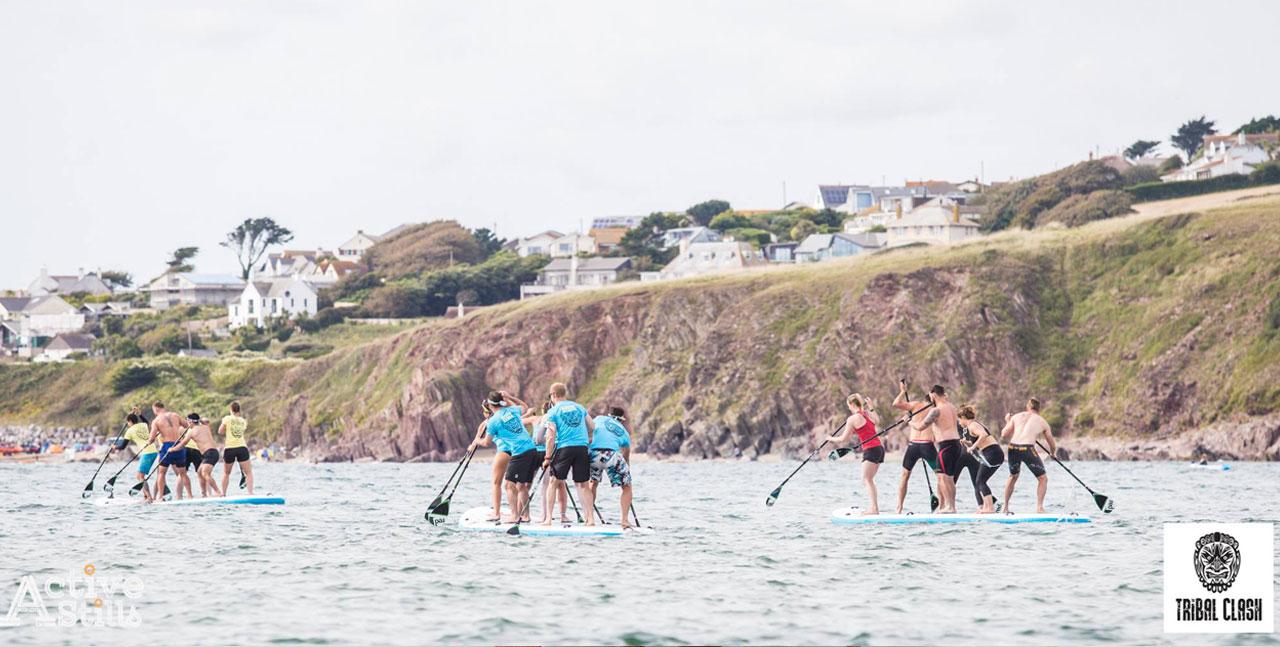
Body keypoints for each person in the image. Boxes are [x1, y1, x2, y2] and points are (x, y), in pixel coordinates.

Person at [468, 390, 537, 523]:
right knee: (521, 486)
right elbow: (524, 406)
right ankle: (526, 516)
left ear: (490, 405)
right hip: (531, 449)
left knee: (509, 485)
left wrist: (476, 441)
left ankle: (515, 516)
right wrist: (509, 396)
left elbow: (486, 442)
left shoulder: (493, 421)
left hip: (520, 452)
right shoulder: (512, 411)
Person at [541, 382, 597, 526]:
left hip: (565, 449)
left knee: (554, 482)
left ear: (553, 395)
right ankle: (590, 518)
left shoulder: (552, 412)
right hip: (582, 448)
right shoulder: (579, 407)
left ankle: (548, 519)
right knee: (583, 484)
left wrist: (547, 457)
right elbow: (592, 427)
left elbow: (550, 436)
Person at [824, 393, 882, 514]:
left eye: (848, 406)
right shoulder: (867, 414)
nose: (849, 408)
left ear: (851, 404)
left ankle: (874, 509)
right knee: (869, 480)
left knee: (866, 480)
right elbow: (877, 421)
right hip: (880, 449)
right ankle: (874, 507)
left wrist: (830, 438)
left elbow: (843, 439)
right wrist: (871, 407)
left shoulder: (852, 419)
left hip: (870, 449)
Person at [908, 385, 961, 513]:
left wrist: (909, 421)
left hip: (945, 446)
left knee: (943, 477)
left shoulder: (936, 410)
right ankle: (952, 507)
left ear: (933, 395)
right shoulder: (952, 407)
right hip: (956, 444)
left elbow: (921, 427)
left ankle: (949, 507)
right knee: (949, 477)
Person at [1001, 398, 1057, 514]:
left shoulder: (1016, 417)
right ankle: (1039, 508)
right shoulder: (1042, 421)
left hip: (1013, 448)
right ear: (1038, 409)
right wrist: (1053, 453)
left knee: (1012, 476)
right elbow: (1051, 441)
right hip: (1027, 449)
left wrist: (1008, 421)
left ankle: (1005, 507)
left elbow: (1004, 435)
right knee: (1042, 478)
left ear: (1027, 407)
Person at [891, 380, 938, 514]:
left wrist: (903, 392)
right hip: (927, 445)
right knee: (940, 475)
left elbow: (896, 403)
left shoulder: (916, 405)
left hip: (913, 445)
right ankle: (945, 506)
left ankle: (898, 508)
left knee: (905, 475)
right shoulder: (935, 409)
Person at [523, 400, 571, 523]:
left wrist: (528, 414)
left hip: (535, 453)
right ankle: (556, 515)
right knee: (550, 485)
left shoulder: (536, 419)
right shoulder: (556, 419)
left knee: (525, 485)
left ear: (543, 410)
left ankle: (523, 514)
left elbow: (518, 421)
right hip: (549, 453)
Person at [588, 406, 635, 528]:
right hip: (612, 455)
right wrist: (626, 473)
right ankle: (624, 520)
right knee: (627, 487)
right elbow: (626, 454)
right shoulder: (624, 432)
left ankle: (589, 518)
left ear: (609, 415)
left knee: (592, 483)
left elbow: (589, 429)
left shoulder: (599, 419)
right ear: (621, 420)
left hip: (594, 454)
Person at [958, 405, 1004, 513]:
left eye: (960, 419)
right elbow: (979, 439)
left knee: (980, 481)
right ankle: (986, 507)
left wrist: (973, 447)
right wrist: (967, 442)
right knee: (980, 481)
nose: (960, 422)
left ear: (964, 417)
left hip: (992, 453)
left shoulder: (972, 425)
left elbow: (983, 435)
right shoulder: (974, 425)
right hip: (993, 453)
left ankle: (990, 508)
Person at [147, 401, 192, 502]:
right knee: (183, 473)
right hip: (179, 445)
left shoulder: (156, 420)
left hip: (167, 446)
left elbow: (152, 437)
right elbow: (188, 425)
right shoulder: (175, 415)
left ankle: (160, 497)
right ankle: (190, 496)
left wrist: (148, 441)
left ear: (156, 409)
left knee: (161, 473)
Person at [217, 401, 254, 495]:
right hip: (242, 447)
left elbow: (220, 431)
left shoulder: (227, 418)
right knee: (248, 473)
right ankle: (251, 493)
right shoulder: (243, 421)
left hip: (230, 448)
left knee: (226, 473)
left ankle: (223, 494)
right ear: (239, 410)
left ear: (230, 409)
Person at [184, 414, 222, 498]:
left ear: (190, 422)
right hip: (207, 454)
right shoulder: (205, 427)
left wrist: (172, 449)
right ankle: (204, 494)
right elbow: (204, 423)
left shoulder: (192, 431)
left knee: (205, 473)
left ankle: (218, 492)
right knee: (199, 472)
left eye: (188, 422)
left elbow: (183, 443)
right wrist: (199, 420)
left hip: (210, 452)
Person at [121, 413, 156, 502]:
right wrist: (140, 414)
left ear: (130, 422)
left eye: (128, 422)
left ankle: (149, 497)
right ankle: (145, 496)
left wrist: (114, 447)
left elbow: (122, 447)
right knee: (139, 475)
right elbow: (146, 421)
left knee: (140, 476)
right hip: (153, 451)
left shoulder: (129, 431)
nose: (128, 424)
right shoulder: (143, 425)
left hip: (147, 453)